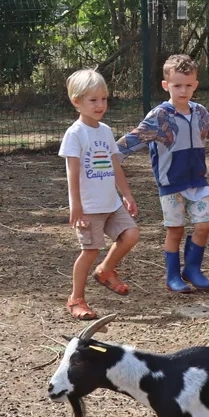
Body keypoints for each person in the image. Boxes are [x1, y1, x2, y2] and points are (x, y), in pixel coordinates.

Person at [117, 54, 209, 292]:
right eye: (177, 86)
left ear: (195, 85)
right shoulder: (159, 116)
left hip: (197, 180)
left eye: (188, 85)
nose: (183, 91)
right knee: (175, 230)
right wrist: (108, 156)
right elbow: (132, 140)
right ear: (166, 85)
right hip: (171, 183)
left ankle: (192, 269)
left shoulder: (199, 112)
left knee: (204, 225)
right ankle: (173, 275)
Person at [59, 69, 140, 320]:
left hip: (112, 203)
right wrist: (76, 206)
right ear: (76, 102)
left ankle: (105, 270)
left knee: (131, 234)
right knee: (90, 251)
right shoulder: (75, 133)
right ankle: (76, 299)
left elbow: (115, 165)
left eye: (104, 99)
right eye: (93, 100)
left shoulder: (105, 130)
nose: (100, 105)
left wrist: (126, 195)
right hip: (89, 207)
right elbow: (72, 173)